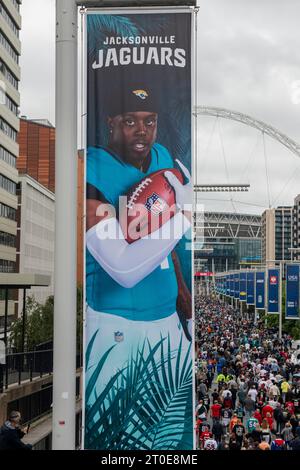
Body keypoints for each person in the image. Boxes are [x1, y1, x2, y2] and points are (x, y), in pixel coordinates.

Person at [85, 80, 193, 444]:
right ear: (111, 122)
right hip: (117, 329)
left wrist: (182, 293)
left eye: (150, 121)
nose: (142, 131)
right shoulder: (92, 169)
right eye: (131, 121)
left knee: (168, 440)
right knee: (122, 440)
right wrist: (183, 216)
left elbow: (164, 245)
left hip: (168, 324)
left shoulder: (161, 157)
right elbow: (123, 269)